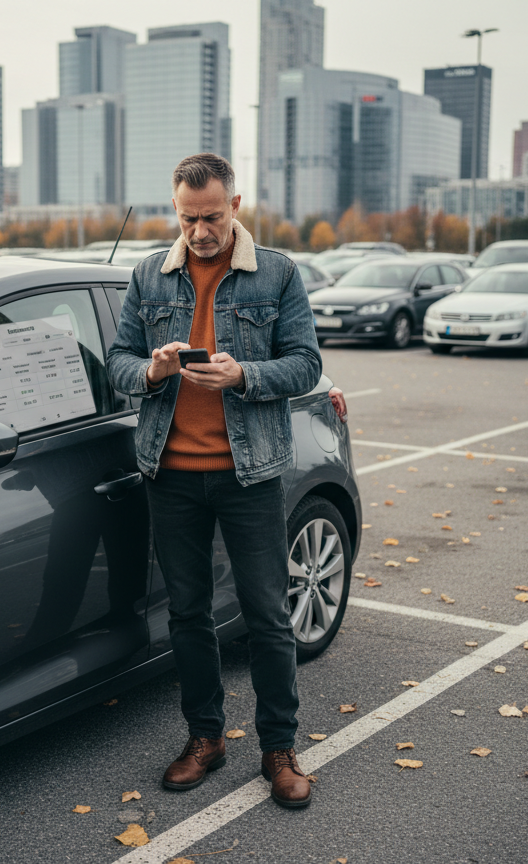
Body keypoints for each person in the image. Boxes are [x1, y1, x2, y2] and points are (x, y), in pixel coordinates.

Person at [106, 153, 321, 809]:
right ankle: (206, 738)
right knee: (188, 616)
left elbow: (306, 365)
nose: (199, 230)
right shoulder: (149, 276)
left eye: (211, 216)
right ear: (175, 209)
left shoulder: (277, 273)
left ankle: (279, 749)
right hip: (169, 476)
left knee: (267, 616)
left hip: (248, 473)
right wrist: (153, 370)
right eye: (187, 217)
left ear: (235, 204)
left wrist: (243, 377)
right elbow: (116, 364)